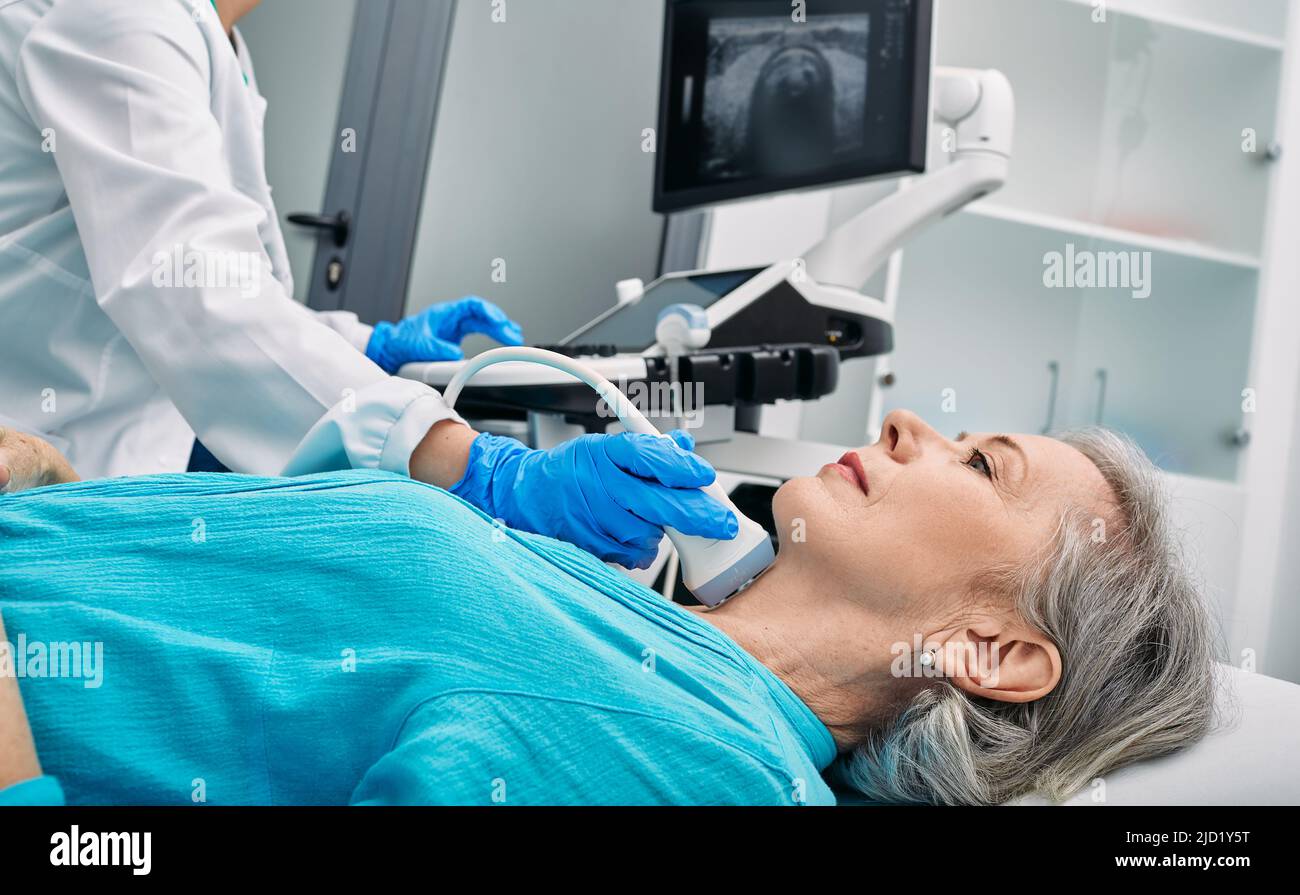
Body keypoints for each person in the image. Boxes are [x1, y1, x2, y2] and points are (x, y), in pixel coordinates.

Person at [0, 410, 1219, 805]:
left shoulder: (698, 762)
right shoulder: (643, 639)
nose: (908, 424)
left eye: (979, 464)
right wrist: (54, 490)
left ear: (993, 650)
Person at [0, 0, 736, 569]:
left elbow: (234, 288)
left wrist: (369, 343)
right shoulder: (114, 15)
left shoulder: (212, 37)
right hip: (60, 469)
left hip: (139, 442)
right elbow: (195, 295)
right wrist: (485, 471)